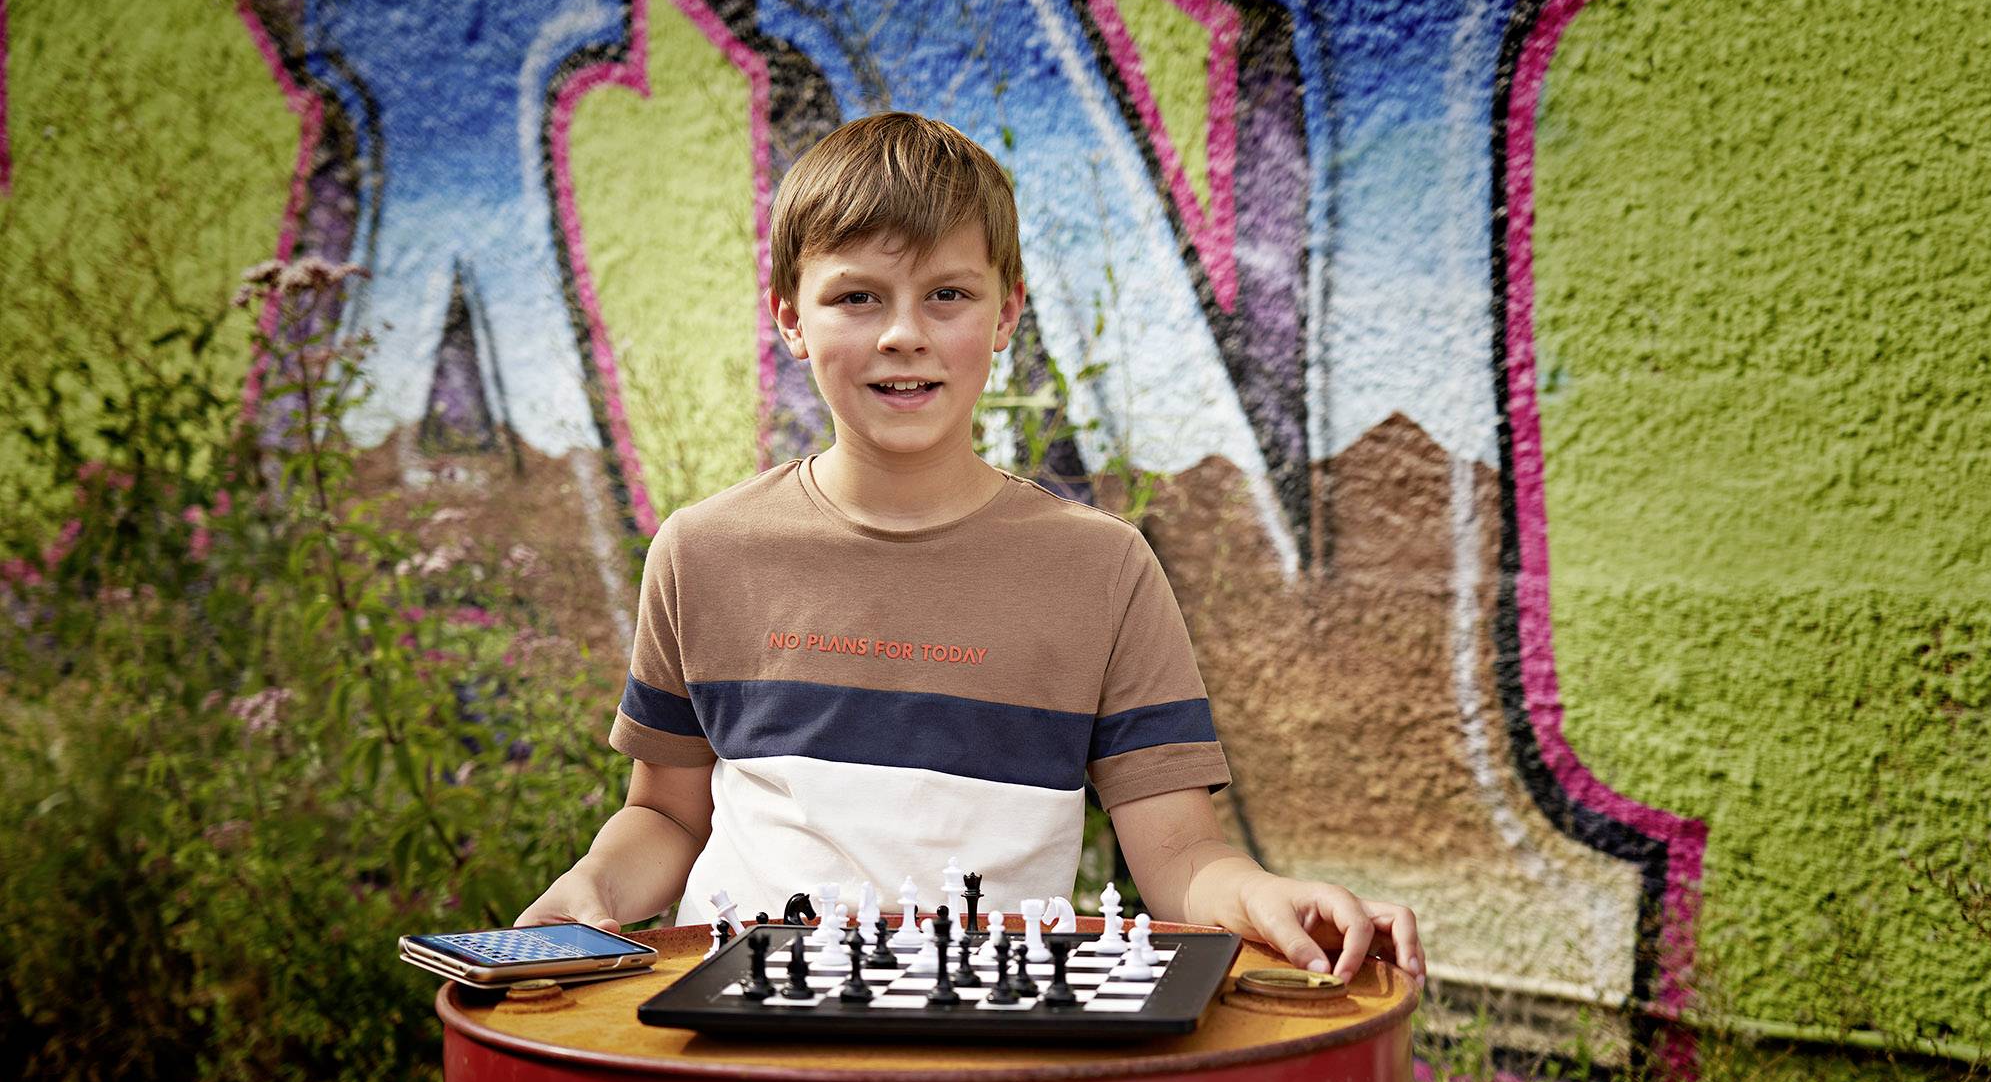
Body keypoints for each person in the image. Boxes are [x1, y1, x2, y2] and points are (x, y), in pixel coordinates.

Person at [517, 112, 1424, 987]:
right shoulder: (702, 552)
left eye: (947, 295)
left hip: (987, 1049)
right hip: (749, 1041)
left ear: (1005, 316)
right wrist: (590, 891)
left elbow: (1180, 857)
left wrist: (1268, 896)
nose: (903, 332)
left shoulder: (1102, 571)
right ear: (791, 317)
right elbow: (666, 815)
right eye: (857, 297)